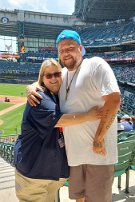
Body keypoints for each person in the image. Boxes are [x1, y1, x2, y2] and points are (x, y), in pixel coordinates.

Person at [27, 30, 121, 202]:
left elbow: (114, 100)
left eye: (70, 47)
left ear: (81, 48)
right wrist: (31, 87)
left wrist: (99, 136)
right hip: (75, 156)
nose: (65, 53)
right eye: (61, 50)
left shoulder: (96, 65)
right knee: (79, 199)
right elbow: (45, 80)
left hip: (98, 155)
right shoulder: (62, 74)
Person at [14, 58, 101, 202]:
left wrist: (33, 85)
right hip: (33, 174)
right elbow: (60, 120)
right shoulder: (39, 98)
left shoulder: (58, 96)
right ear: (42, 78)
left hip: (50, 173)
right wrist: (89, 116)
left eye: (57, 74)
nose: (54, 78)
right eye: (48, 75)